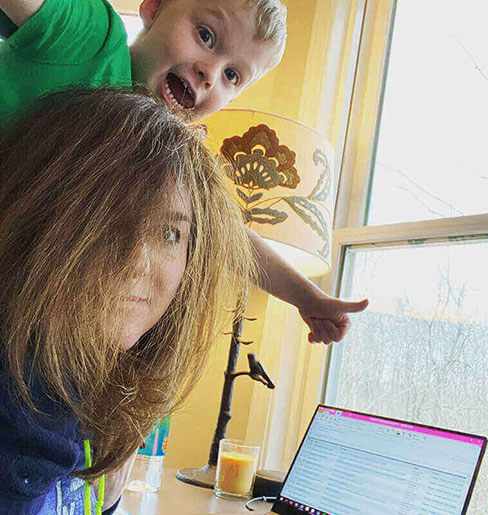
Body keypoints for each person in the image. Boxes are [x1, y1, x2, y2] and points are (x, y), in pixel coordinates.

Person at [0, 0, 368, 346]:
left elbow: (226, 235)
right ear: (155, 6)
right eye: (205, 36)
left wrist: (308, 298)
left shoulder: (167, 155)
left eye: (232, 75)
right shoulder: (91, 39)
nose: (211, 75)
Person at [0, 88, 255, 513]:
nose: (138, 262)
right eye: (111, 222)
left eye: (170, 233)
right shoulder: (22, 410)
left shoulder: (80, 389)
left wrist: (110, 499)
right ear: (40, 218)